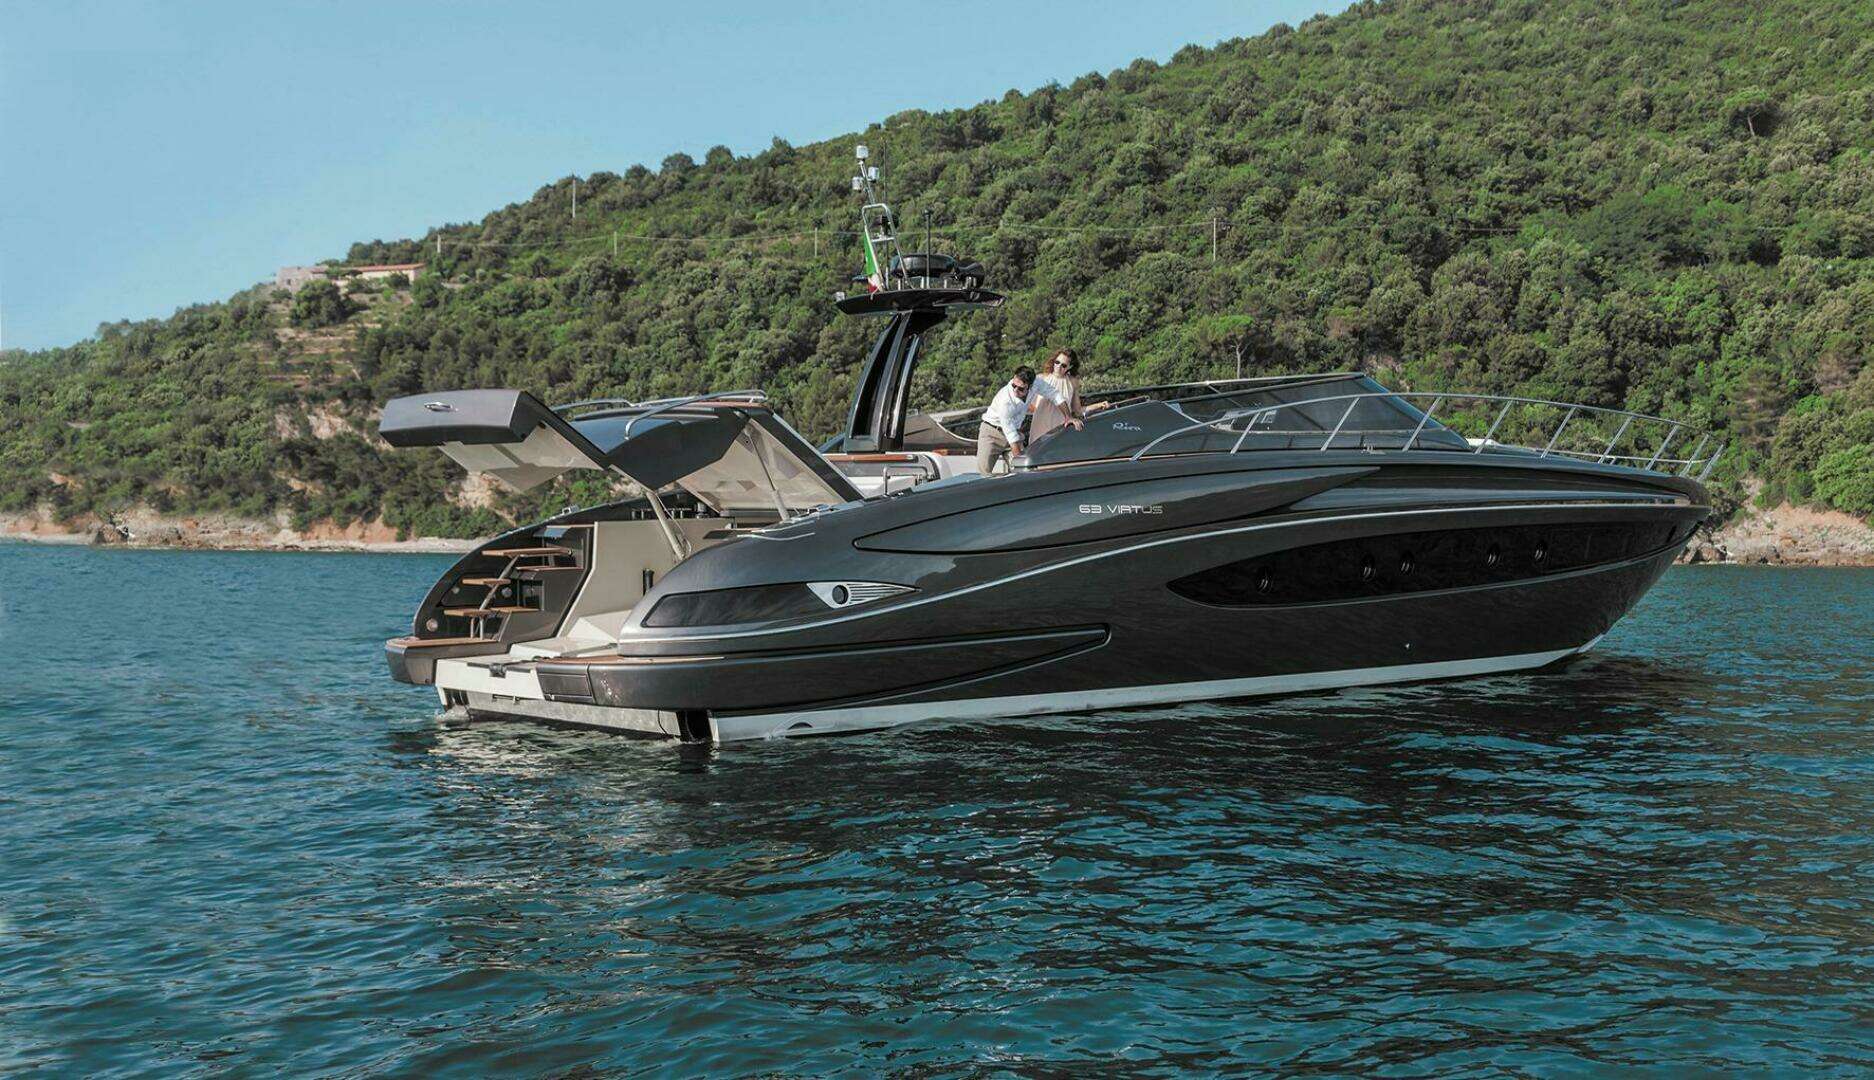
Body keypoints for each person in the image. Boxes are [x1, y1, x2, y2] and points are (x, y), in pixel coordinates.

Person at [976, 365, 1070, 475]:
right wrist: (1019, 461)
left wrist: (1068, 417)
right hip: (992, 433)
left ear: (1030, 386)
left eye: (1020, 389)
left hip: (1015, 432)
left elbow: (1054, 394)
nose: (1015, 390)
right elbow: (1011, 435)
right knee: (984, 475)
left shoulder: (1036, 383)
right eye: (1013, 385)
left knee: (1025, 472)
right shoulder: (1005, 400)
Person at [1027, 348, 1110, 443]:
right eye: (1057, 362)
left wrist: (1099, 405)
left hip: (1060, 430)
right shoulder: (1041, 378)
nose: (1058, 367)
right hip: (1039, 430)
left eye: (1063, 365)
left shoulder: (1072, 382)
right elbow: (1029, 405)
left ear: (1070, 367)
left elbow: (1078, 411)